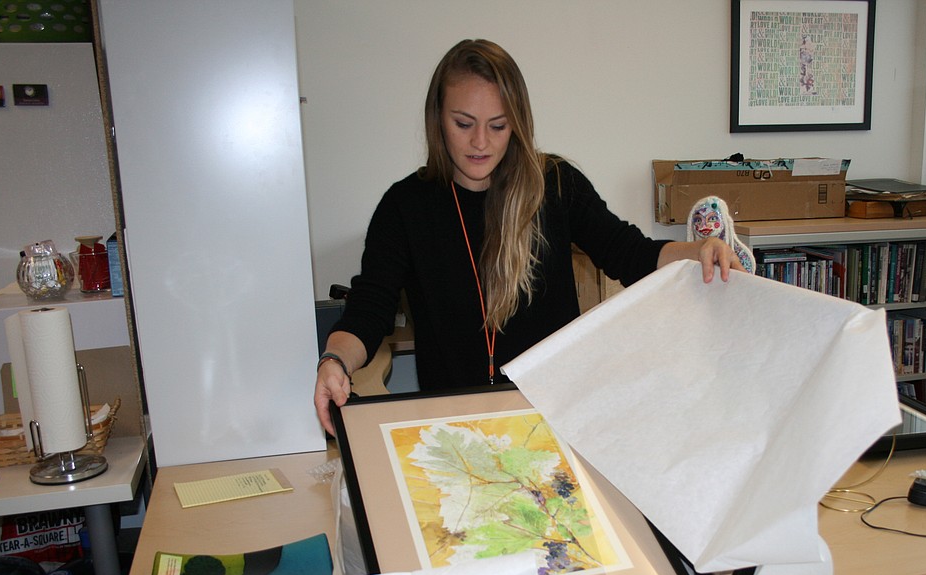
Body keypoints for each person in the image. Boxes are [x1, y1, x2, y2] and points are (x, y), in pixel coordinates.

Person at [315, 39, 743, 434]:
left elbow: (630, 253)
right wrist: (334, 361)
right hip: (454, 425)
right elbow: (368, 312)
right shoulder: (405, 207)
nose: (480, 142)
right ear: (437, 119)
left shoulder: (555, 185)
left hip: (555, 416)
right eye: (463, 123)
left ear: (518, 123)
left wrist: (698, 250)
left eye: (498, 126)